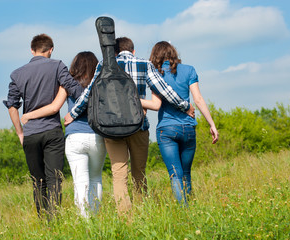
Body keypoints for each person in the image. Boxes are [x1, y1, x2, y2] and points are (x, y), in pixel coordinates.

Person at [64, 37, 195, 214]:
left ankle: (125, 218)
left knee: (119, 175)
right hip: (138, 126)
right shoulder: (143, 64)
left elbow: (89, 93)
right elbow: (164, 90)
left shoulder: (104, 65)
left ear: (115, 52)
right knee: (139, 173)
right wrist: (185, 106)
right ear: (133, 51)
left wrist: (72, 114)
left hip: (111, 129)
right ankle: (142, 213)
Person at [3, 34, 84, 217]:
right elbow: (76, 90)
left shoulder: (17, 74)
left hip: (30, 134)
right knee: (54, 179)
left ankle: (43, 223)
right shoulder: (57, 66)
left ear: (32, 50)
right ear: (51, 49)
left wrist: (20, 133)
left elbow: (12, 106)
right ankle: (54, 221)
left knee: (38, 182)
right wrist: (72, 111)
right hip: (52, 131)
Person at [21, 51, 107, 218]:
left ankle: (85, 221)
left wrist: (29, 115)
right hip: (97, 137)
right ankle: (95, 219)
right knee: (96, 178)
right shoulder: (101, 83)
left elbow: (54, 107)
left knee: (80, 182)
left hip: (75, 137)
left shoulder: (68, 84)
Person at [146, 41, 219, 204]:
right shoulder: (189, 70)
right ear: (173, 53)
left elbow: (155, 104)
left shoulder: (155, 75)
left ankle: (183, 211)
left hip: (167, 130)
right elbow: (198, 99)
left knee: (175, 174)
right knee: (186, 173)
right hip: (188, 128)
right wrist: (211, 124)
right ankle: (190, 207)